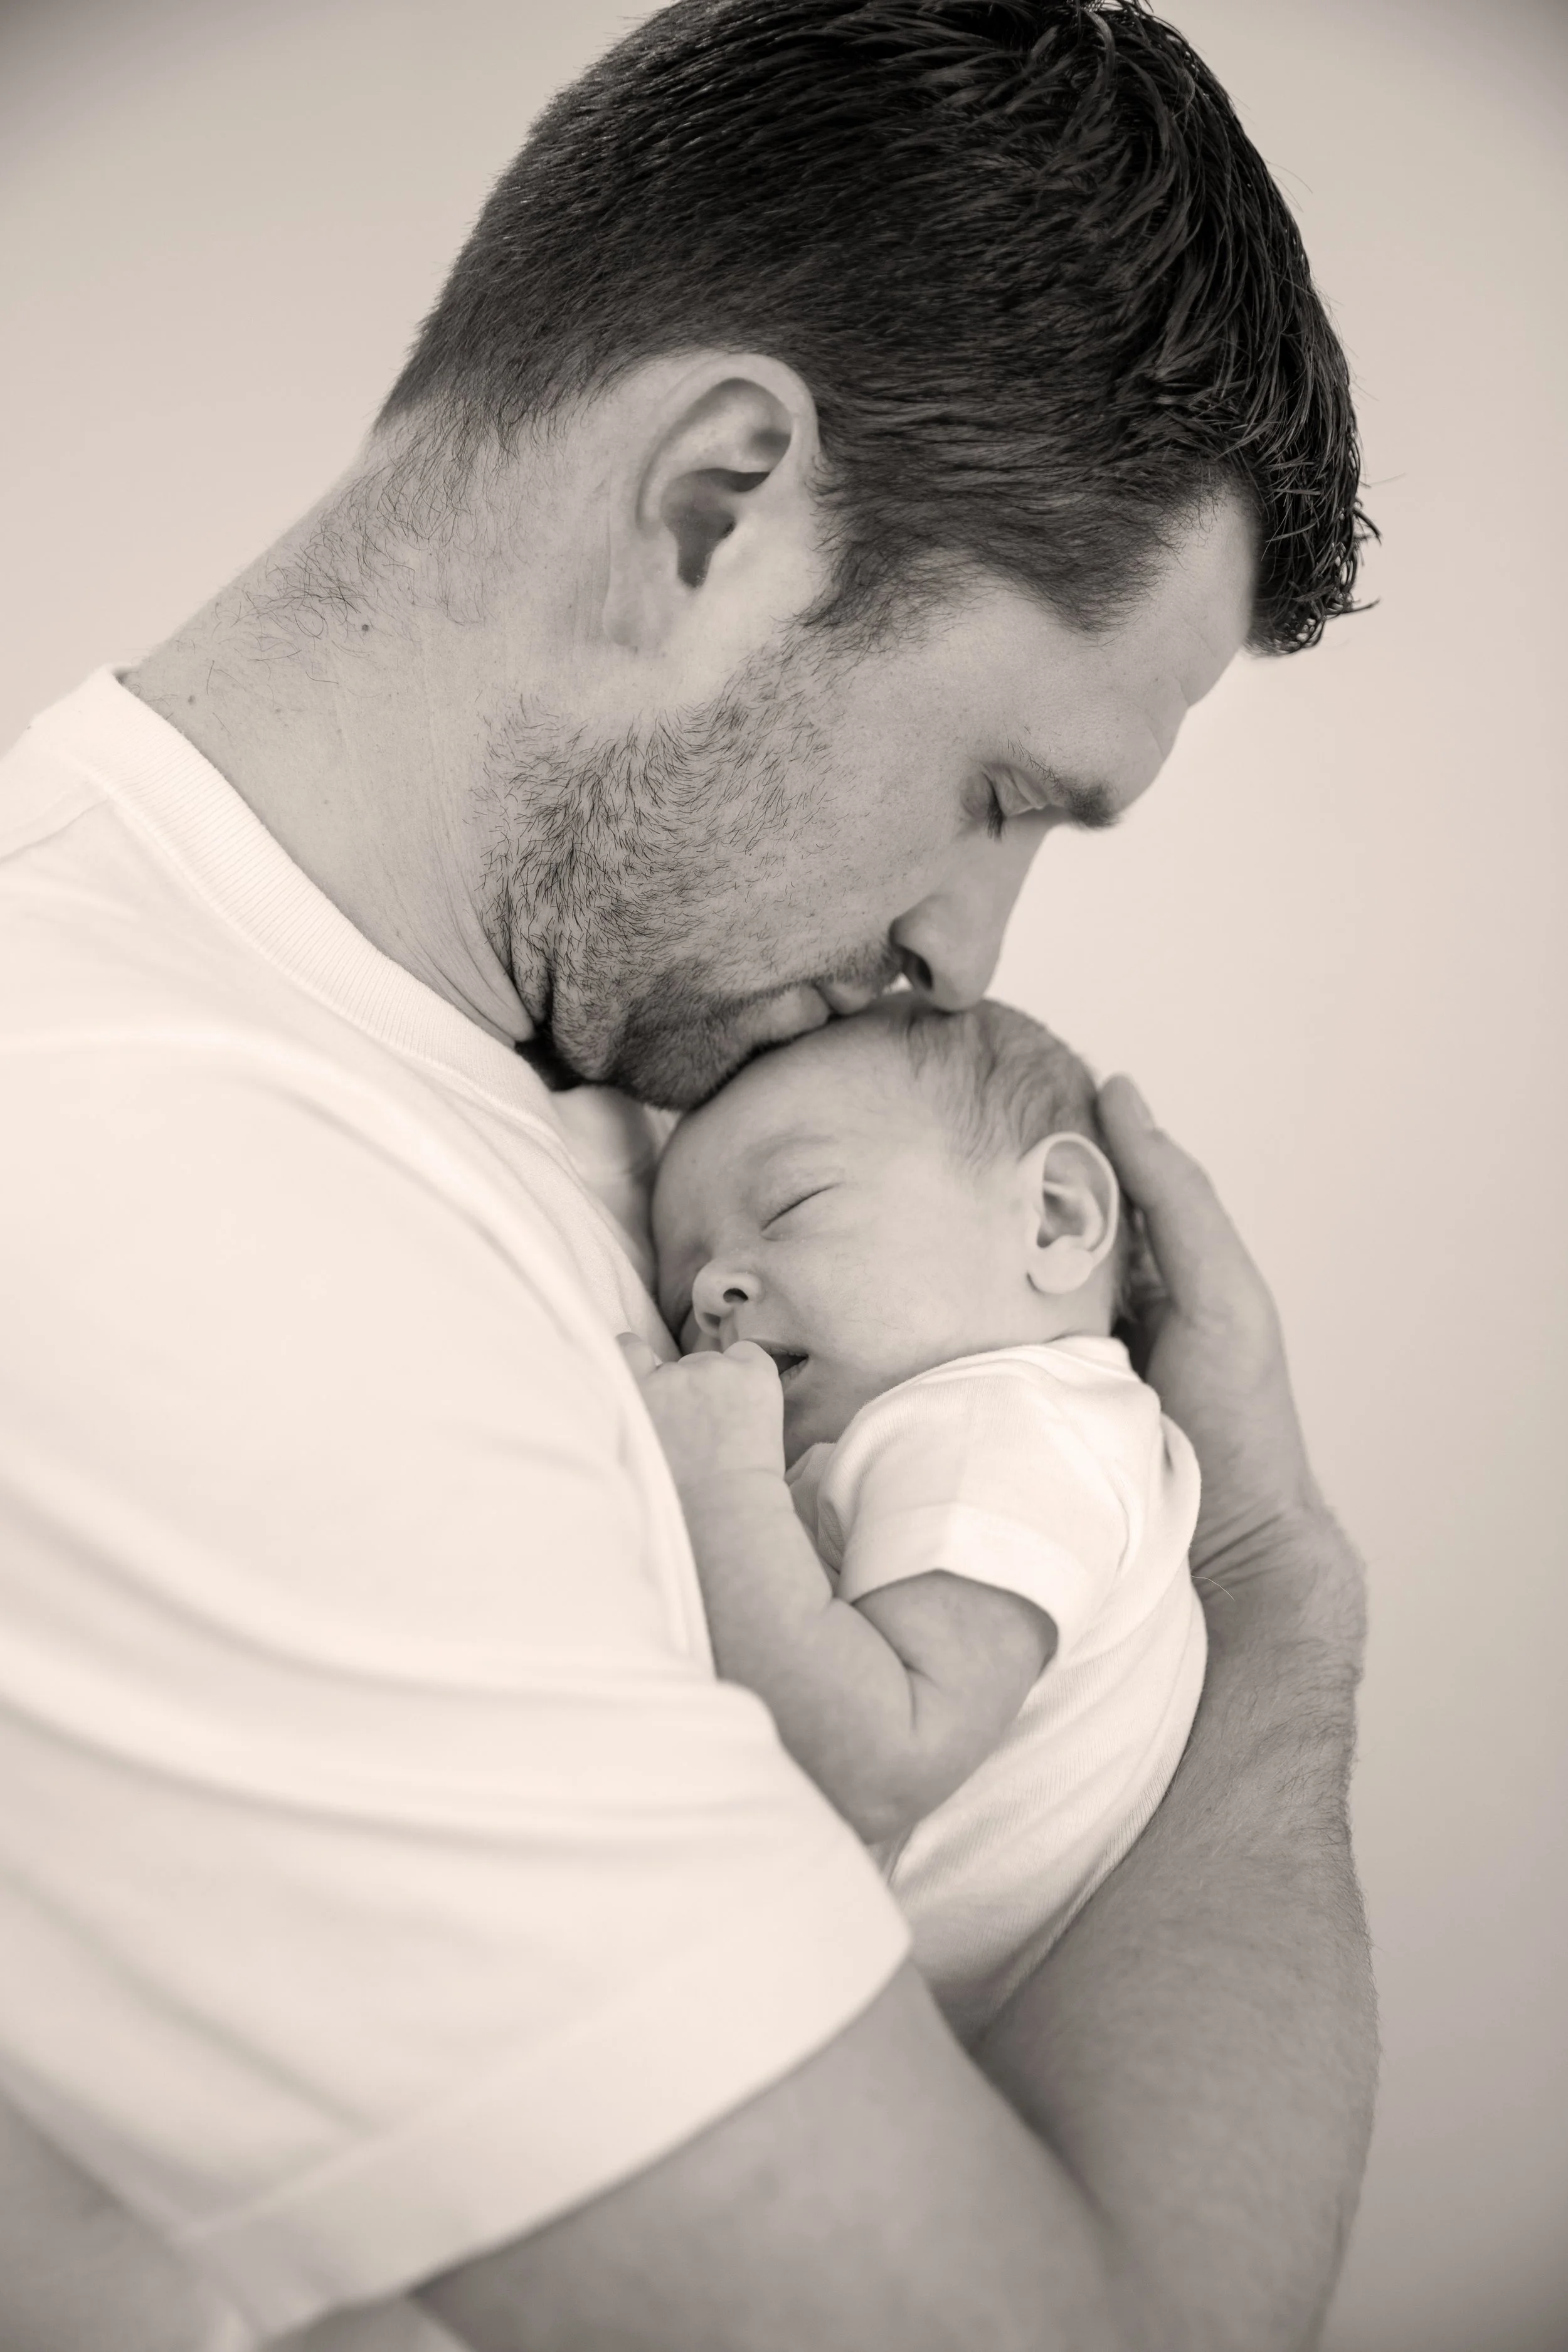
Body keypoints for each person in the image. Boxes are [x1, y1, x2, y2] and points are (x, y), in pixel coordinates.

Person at [0, 4, 1377, 2348]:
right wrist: (1276, 1619)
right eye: (1006, 795)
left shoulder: (594, 1085)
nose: (968, 958)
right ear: (716, 510)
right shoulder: (145, 1192)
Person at [630, 995, 1207, 2048]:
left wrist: (720, 1486)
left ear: (1056, 1220)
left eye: (792, 1203)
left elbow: (883, 1756)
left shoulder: (1000, 1420)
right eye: (680, 1287)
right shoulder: (1039, 1432)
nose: (712, 1286)